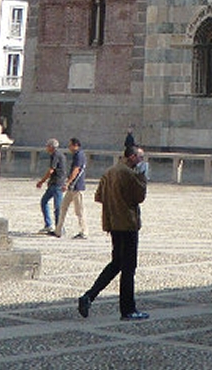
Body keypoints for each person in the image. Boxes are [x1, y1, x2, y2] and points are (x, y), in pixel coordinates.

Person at [77, 144, 149, 321]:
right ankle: (128, 309)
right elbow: (140, 197)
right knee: (128, 269)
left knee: (116, 264)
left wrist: (113, 204)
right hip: (127, 224)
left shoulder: (110, 171)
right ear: (132, 157)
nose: (142, 161)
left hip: (113, 224)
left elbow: (98, 196)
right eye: (140, 158)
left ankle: (89, 296)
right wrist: (142, 175)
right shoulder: (129, 173)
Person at [54, 137, 88, 238]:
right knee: (63, 208)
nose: (69, 147)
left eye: (70, 145)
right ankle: (58, 230)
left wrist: (67, 183)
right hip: (72, 187)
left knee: (79, 211)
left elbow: (76, 170)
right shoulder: (77, 155)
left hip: (77, 187)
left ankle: (84, 231)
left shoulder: (79, 155)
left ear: (75, 145)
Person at [35, 137, 67, 235]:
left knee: (58, 207)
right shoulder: (58, 154)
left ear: (51, 147)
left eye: (47, 146)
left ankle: (59, 228)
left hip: (57, 184)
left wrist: (42, 181)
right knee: (44, 201)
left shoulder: (56, 155)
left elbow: (51, 170)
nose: (46, 148)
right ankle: (48, 225)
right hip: (53, 183)